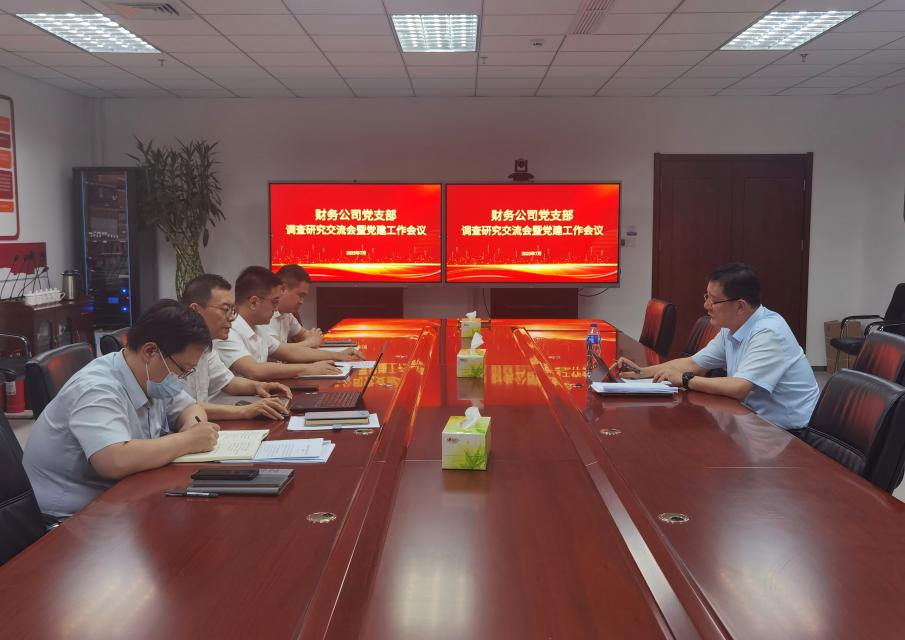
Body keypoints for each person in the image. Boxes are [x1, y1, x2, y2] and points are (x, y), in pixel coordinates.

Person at [22, 300, 221, 518]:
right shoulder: (97, 388)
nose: (181, 379)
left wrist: (192, 428)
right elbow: (115, 461)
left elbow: (190, 408)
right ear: (150, 352)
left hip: (121, 497)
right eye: (183, 369)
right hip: (69, 517)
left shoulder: (151, 377)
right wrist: (187, 440)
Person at [617, 263, 819, 432]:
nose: (706, 306)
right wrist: (641, 372)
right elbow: (693, 363)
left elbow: (738, 388)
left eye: (713, 300)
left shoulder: (769, 332)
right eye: (706, 297)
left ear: (740, 306)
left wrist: (685, 379)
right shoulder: (731, 328)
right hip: (749, 421)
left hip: (788, 434)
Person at [214, 266, 362, 381]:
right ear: (253, 302)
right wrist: (307, 369)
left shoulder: (257, 328)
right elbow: (254, 370)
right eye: (274, 302)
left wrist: (338, 356)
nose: (276, 308)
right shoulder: (227, 331)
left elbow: (290, 352)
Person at [180, 274, 293, 420]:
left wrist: (260, 386)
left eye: (232, 310)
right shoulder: (172, 351)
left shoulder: (206, 347)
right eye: (225, 309)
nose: (231, 318)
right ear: (196, 310)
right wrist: (245, 410)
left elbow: (228, 381)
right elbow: (183, 406)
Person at [268, 264, 323, 347]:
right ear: (282, 289)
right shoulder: (264, 314)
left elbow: (303, 335)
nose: (302, 301)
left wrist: (314, 337)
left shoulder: (287, 314)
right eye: (300, 295)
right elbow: (280, 350)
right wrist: (311, 342)